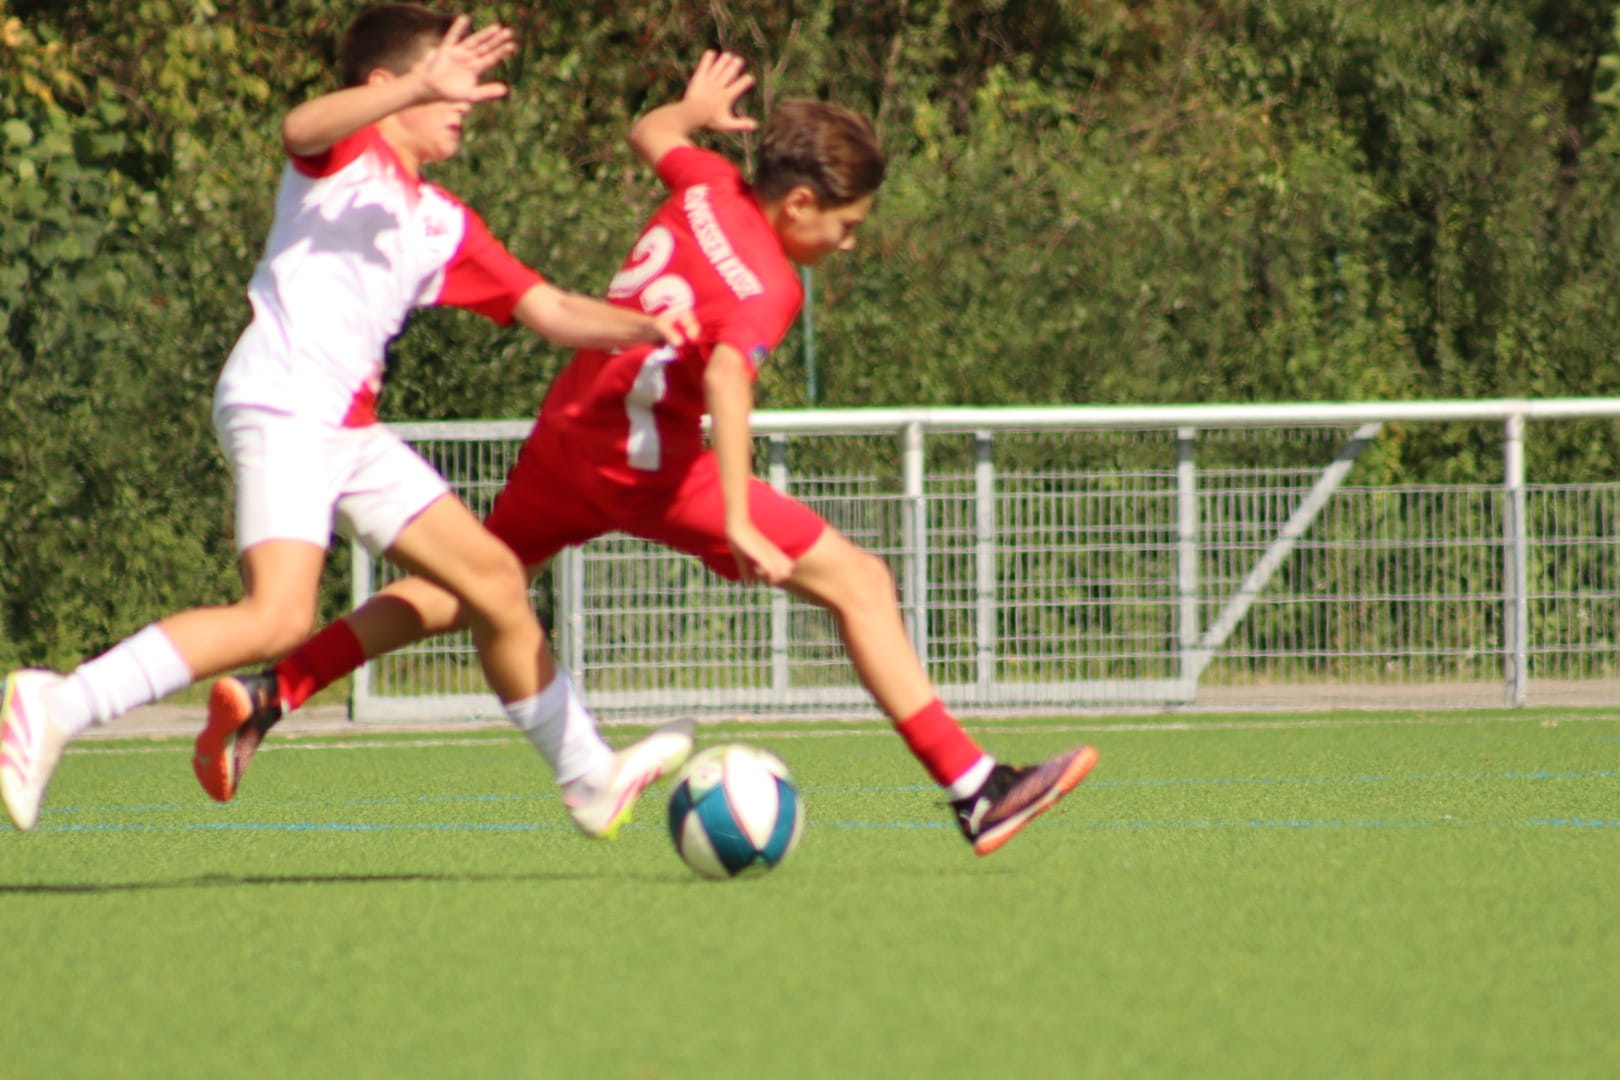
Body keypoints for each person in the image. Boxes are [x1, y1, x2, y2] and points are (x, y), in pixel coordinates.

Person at [198, 50, 1099, 857]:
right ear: (798, 204)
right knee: (860, 581)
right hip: (649, 469)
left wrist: (691, 111)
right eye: (848, 223)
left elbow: (649, 132)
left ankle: (279, 688)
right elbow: (728, 384)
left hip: (569, 433)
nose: (850, 241)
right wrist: (738, 514)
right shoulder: (770, 285)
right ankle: (976, 788)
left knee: (468, 589)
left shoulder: (707, 183)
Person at [0, 4, 700, 835]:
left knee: (494, 581)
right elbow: (299, 125)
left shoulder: (441, 220)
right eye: (449, 85)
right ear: (388, 83)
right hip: (284, 402)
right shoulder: (342, 157)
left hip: (348, 430)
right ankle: (58, 704)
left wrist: (646, 327)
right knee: (277, 616)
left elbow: (547, 307)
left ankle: (588, 779)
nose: (465, 102)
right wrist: (417, 84)